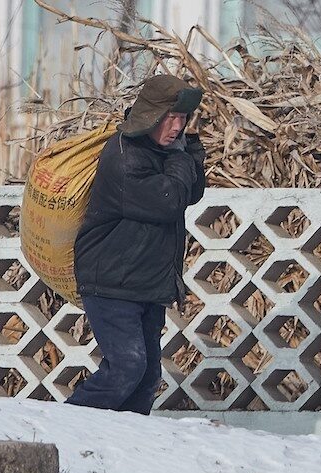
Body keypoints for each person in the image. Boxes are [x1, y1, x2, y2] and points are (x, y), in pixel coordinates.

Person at [66, 74, 207, 415]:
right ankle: (63, 423)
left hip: (144, 283)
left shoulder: (161, 150)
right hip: (112, 282)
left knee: (145, 378)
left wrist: (186, 155)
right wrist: (181, 157)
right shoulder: (126, 157)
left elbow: (193, 191)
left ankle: (125, 444)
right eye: (170, 118)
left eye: (182, 118)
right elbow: (171, 199)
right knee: (126, 368)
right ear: (150, 116)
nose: (177, 127)